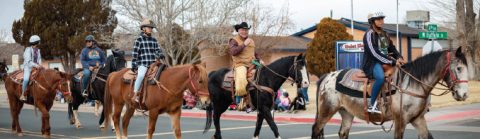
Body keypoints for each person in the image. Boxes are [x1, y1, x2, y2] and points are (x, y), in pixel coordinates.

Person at [362, 12, 405, 113]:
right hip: (372, 62)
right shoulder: (369, 34)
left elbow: (391, 48)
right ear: (372, 21)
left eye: (382, 19)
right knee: (380, 78)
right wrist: (392, 62)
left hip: (385, 60)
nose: (381, 21)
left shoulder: (384, 34)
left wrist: (398, 57)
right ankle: (372, 105)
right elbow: (374, 53)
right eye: (378, 19)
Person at [131, 19, 165, 103]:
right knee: (141, 75)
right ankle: (135, 93)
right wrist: (134, 64)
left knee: (164, 72)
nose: (151, 29)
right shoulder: (139, 40)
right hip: (143, 63)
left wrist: (160, 54)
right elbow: (135, 53)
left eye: (151, 28)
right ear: (143, 28)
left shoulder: (154, 40)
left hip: (153, 63)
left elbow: (157, 50)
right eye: (149, 27)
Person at [229, 22, 259, 111]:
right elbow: (233, 52)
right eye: (242, 30)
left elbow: (254, 52)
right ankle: (240, 102)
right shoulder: (233, 40)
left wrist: (259, 59)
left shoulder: (251, 40)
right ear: (238, 30)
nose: (244, 32)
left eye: (246, 30)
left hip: (252, 63)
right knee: (241, 81)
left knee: (267, 72)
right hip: (240, 64)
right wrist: (244, 44)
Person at [20, 35, 43, 101]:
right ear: (36, 42)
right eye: (38, 41)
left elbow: (39, 59)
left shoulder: (38, 50)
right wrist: (37, 66)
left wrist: (40, 65)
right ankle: (23, 94)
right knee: (26, 79)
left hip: (37, 67)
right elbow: (29, 62)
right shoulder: (28, 50)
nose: (39, 43)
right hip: (28, 68)